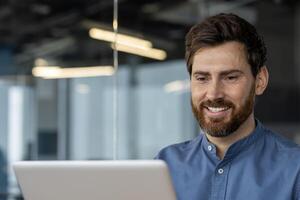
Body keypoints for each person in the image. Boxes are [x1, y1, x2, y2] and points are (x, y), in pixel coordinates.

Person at [156, 13, 300, 200]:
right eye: (202, 78)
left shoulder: (295, 168)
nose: (214, 93)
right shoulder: (165, 165)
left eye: (230, 77)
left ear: (260, 81)